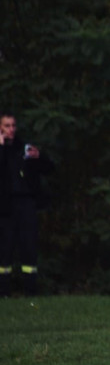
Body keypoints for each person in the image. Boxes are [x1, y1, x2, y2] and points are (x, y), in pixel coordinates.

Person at [1, 110, 55, 297]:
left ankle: (31, 291)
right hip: (5, 206)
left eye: (13, 126)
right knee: (4, 248)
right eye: (7, 126)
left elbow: (49, 169)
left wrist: (39, 156)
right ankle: (3, 291)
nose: (11, 130)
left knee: (29, 247)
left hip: (26, 204)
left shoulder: (23, 148)